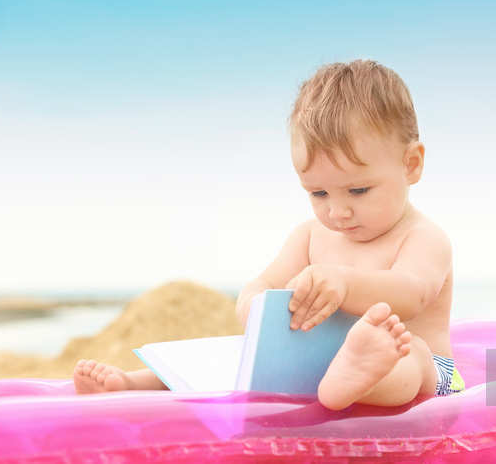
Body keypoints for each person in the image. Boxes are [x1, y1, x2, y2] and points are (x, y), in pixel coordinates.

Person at [74, 60, 464, 410]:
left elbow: (411, 293)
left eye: (358, 190)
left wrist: (343, 283)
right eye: (318, 193)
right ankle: (133, 384)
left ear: (411, 164)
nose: (337, 211)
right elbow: (262, 284)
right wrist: (256, 308)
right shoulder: (310, 237)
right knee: (232, 354)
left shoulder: (423, 237)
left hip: (421, 370)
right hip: (324, 361)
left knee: (412, 356)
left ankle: (364, 375)